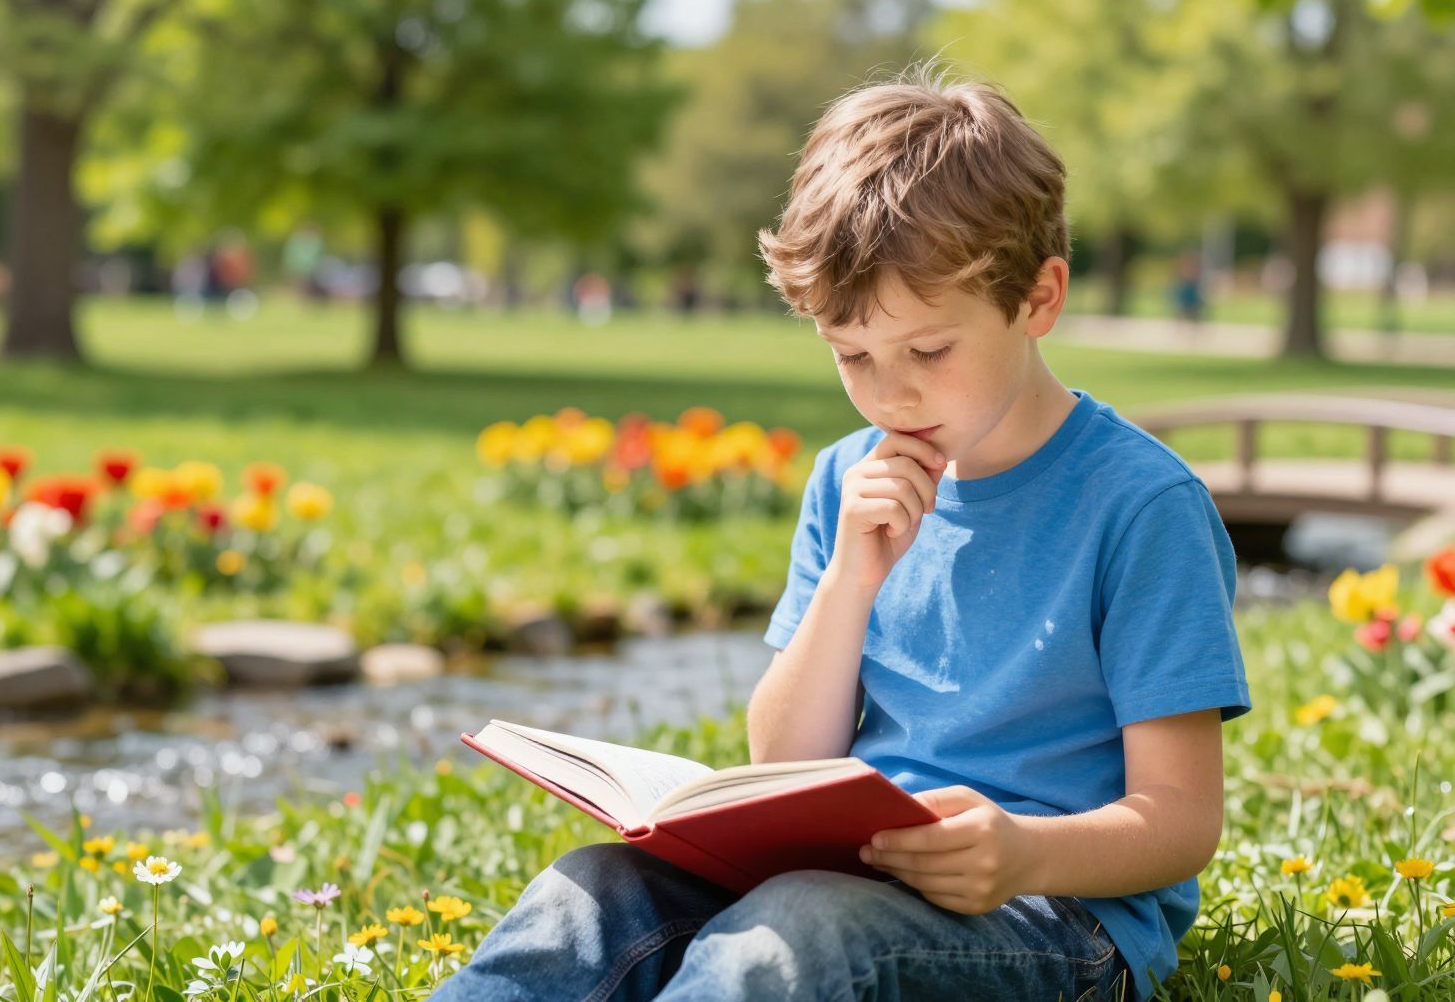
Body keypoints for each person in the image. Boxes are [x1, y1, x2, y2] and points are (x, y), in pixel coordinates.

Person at [433, 62, 1251, 1002]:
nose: (889, 392)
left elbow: (1182, 817)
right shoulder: (847, 479)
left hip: (1053, 912)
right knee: (592, 893)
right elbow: (784, 763)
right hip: (851, 870)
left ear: (1039, 298)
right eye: (852, 355)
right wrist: (851, 580)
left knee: (792, 935)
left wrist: (1022, 853)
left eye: (929, 351)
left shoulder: (1140, 505)